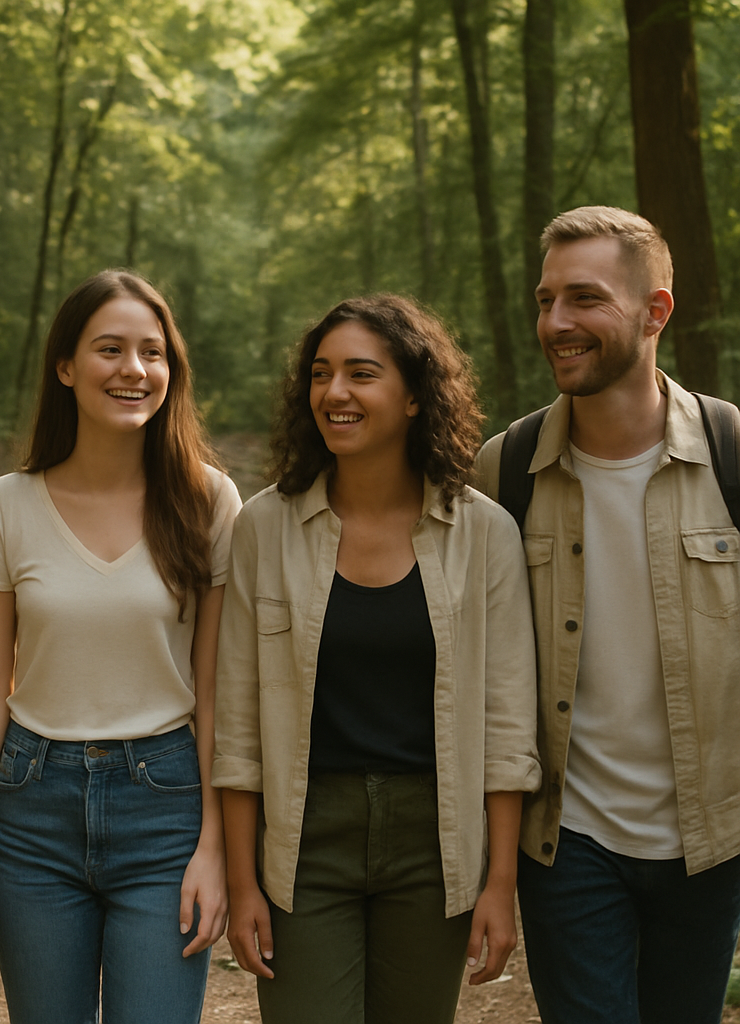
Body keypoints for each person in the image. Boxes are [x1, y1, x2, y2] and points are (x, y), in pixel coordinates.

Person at [214, 293, 541, 1024]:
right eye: (322, 374)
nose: (335, 393)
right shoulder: (264, 526)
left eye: (362, 374)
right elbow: (236, 729)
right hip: (303, 840)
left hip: (436, 840)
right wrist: (244, 883)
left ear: (416, 397)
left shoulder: (483, 533)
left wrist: (499, 884)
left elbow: (508, 723)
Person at [0, 269, 242, 1024]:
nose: (134, 370)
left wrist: (216, 846)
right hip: (31, 808)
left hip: (168, 807)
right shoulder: (8, 503)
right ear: (65, 366)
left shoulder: (209, 500)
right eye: (109, 349)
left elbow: (217, 689)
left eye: (153, 352)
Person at [475, 205, 740, 1024]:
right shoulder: (507, 468)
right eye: (546, 300)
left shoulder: (732, 453)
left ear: (655, 311)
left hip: (711, 841)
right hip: (570, 843)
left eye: (585, 299)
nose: (558, 322)